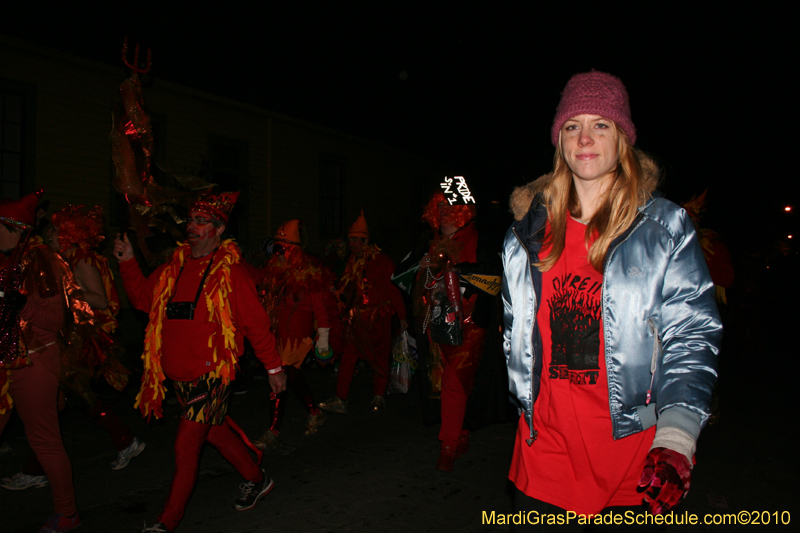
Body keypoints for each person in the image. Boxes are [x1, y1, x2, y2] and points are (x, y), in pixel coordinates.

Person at [502, 71, 721, 528]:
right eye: (571, 126)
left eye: (600, 124)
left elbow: (691, 336)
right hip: (544, 457)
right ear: (558, 140)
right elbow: (516, 338)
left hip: (632, 462)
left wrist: (678, 437)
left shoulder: (664, 229)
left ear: (622, 137)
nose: (585, 138)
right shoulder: (525, 235)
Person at [114, 191, 287, 533]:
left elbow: (256, 324)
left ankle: (167, 522)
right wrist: (128, 260)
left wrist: (274, 368)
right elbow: (144, 301)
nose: (191, 227)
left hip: (213, 374)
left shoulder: (233, 273)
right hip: (179, 378)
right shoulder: (172, 267)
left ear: (220, 229)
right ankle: (257, 478)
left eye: (201, 221)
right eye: (190, 220)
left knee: (186, 446)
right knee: (217, 435)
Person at [2, 206, 145, 492]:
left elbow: (101, 302)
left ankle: (125, 440)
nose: (48, 234)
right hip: (67, 335)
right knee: (58, 401)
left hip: (84, 337)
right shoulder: (60, 259)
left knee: (75, 394)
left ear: (70, 235)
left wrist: (64, 291)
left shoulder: (82, 262)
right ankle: (40, 466)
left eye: (55, 230)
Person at [0, 190, 82, 532]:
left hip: (34, 363)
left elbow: (55, 319)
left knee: (45, 442)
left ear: (18, 229)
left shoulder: (40, 261)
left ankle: (68, 514)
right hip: (3, 362)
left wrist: (21, 305)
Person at [416, 192, 496, 472]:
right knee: (448, 383)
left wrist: (456, 272)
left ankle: (448, 445)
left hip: (469, 326)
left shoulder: (478, 240)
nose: (444, 217)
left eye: (450, 212)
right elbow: (421, 286)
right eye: (440, 213)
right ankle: (459, 433)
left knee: (454, 382)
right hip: (438, 325)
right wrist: (426, 271)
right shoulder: (435, 245)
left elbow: (492, 279)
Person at [252, 219, 334, 449]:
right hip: (279, 336)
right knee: (288, 378)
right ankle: (315, 412)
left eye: (282, 249)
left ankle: (273, 431)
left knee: (282, 376)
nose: (277, 254)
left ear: (294, 250)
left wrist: (324, 340)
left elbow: (321, 311)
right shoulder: (275, 271)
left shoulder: (310, 275)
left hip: (300, 339)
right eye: (275, 248)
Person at [319, 210, 407, 413]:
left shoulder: (383, 261)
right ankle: (340, 398)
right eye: (350, 241)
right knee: (348, 357)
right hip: (356, 320)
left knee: (380, 357)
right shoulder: (351, 262)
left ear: (365, 242)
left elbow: (394, 290)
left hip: (379, 319)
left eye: (356, 241)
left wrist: (402, 317)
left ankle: (378, 395)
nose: (352, 245)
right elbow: (346, 288)